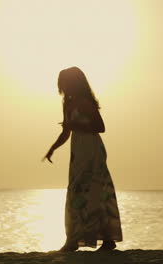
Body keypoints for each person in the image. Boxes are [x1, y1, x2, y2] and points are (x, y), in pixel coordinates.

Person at [43, 67, 122, 252]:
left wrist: (75, 124)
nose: (62, 86)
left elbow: (100, 127)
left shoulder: (85, 102)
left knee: (95, 190)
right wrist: (52, 149)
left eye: (65, 82)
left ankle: (106, 240)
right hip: (78, 151)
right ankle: (73, 239)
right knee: (76, 191)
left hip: (92, 148)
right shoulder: (67, 103)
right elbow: (66, 132)